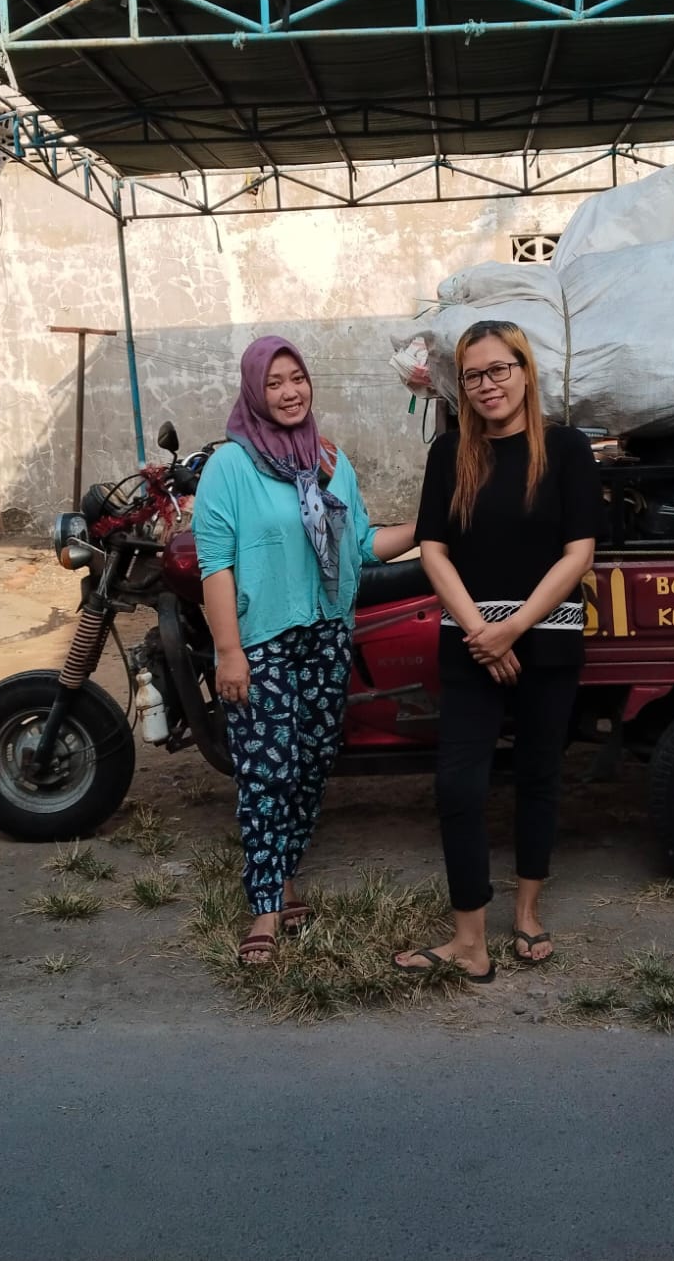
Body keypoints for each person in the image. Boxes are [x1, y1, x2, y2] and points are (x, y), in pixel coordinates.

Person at [195, 337, 414, 966]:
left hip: (326, 633)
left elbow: (361, 544)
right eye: (275, 383)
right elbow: (215, 565)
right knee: (268, 771)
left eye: (298, 378)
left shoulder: (328, 460)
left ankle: (286, 871)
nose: (290, 392)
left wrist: (430, 527)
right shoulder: (230, 468)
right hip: (260, 640)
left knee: (313, 760)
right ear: (253, 391)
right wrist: (228, 652)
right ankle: (265, 906)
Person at [394, 320, 601, 984]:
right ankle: (469, 940)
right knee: (458, 784)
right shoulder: (449, 454)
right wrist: (483, 631)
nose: (487, 385)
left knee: (539, 775)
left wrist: (513, 629)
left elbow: (579, 552)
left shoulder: (566, 449)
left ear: (524, 371)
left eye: (499, 369)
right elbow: (433, 550)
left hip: (546, 639)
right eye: (474, 375)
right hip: (470, 641)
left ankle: (528, 911)